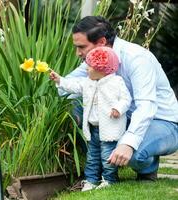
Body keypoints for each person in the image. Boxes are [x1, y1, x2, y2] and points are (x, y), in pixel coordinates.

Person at [58, 16, 178, 184]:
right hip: (122, 117)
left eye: (81, 47)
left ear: (101, 42)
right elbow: (64, 91)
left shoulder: (137, 58)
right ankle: (97, 169)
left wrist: (128, 143)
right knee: (74, 107)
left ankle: (147, 167)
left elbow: (146, 107)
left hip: (162, 122)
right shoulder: (95, 59)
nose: (78, 53)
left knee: (134, 152)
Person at [50, 46, 131, 191]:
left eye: (90, 67)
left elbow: (126, 99)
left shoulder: (116, 82)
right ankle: (91, 180)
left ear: (102, 69)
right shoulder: (88, 82)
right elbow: (73, 85)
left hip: (109, 128)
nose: (86, 69)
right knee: (92, 157)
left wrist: (118, 108)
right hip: (93, 128)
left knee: (107, 156)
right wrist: (59, 80)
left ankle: (109, 179)